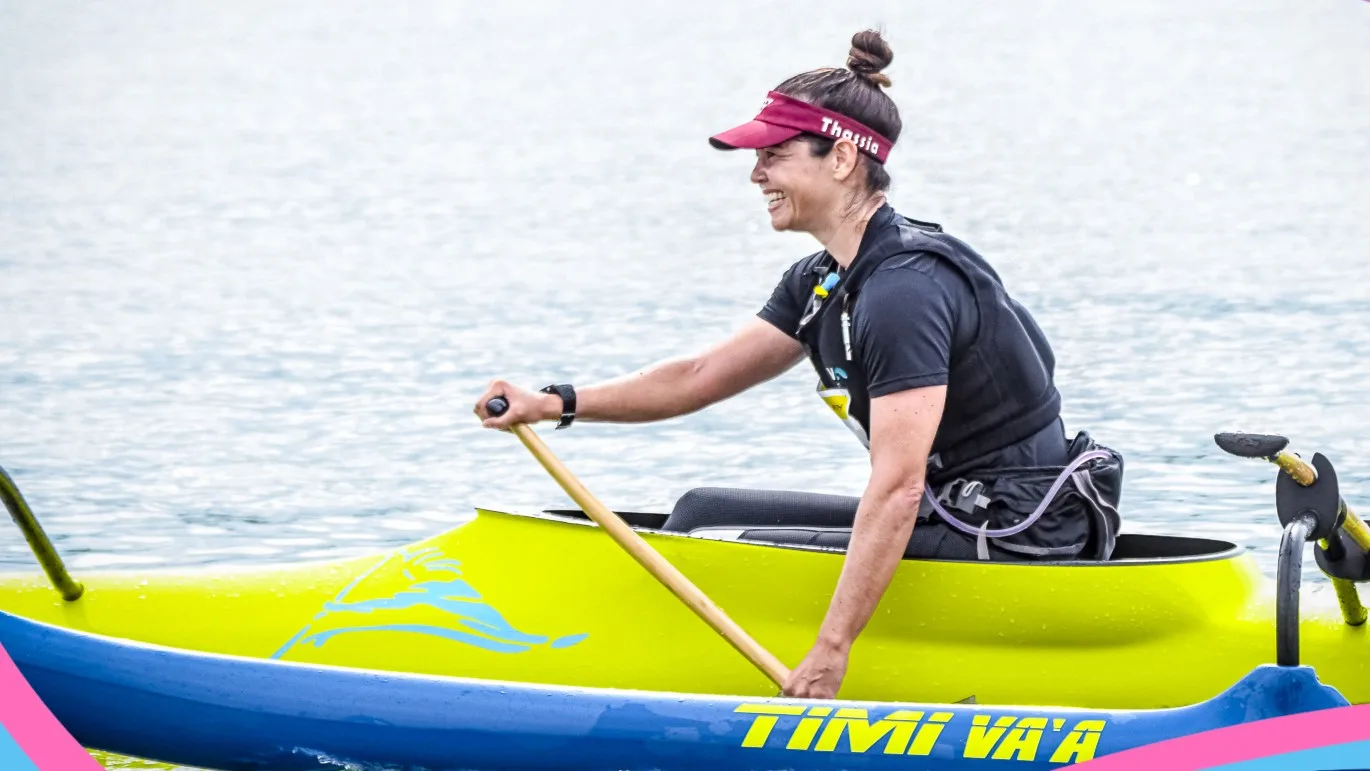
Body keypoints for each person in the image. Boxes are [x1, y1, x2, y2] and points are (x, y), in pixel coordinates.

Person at [473, 29, 1124, 700]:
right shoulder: (822, 281)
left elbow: (896, 488)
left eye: (774, 155)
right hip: (953, 509)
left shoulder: (904, 291)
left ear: (841, 158)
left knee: (714, 533)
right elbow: (699, 376)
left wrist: (831, 648)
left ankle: (716, 676)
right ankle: (647, 663)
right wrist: (553, 402)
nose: (755, 174)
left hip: (1014, 532)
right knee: (699, 509)